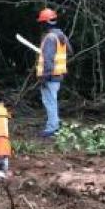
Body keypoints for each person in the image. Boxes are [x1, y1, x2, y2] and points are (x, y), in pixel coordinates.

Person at [36, 8, 73, 137]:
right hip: (58, 75)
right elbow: (69, 50)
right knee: (53, 100)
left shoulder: (50, 38)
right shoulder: (61, 36)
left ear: (45, 23)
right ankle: (54, 123)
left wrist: (44, 78)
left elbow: (48, 60)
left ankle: (52, 128)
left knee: (49, 102)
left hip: (50, 76)